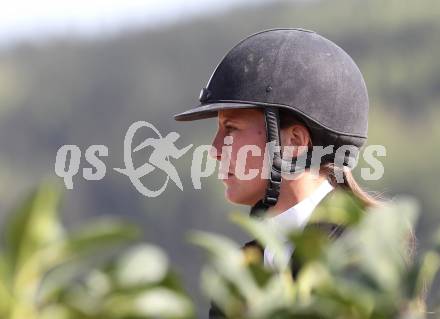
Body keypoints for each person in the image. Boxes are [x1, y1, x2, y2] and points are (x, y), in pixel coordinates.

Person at [174, 28, 382, 318]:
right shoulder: (243, 272)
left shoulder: (360, 256)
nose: (215, 148)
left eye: (230, 129)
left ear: (294, 143)